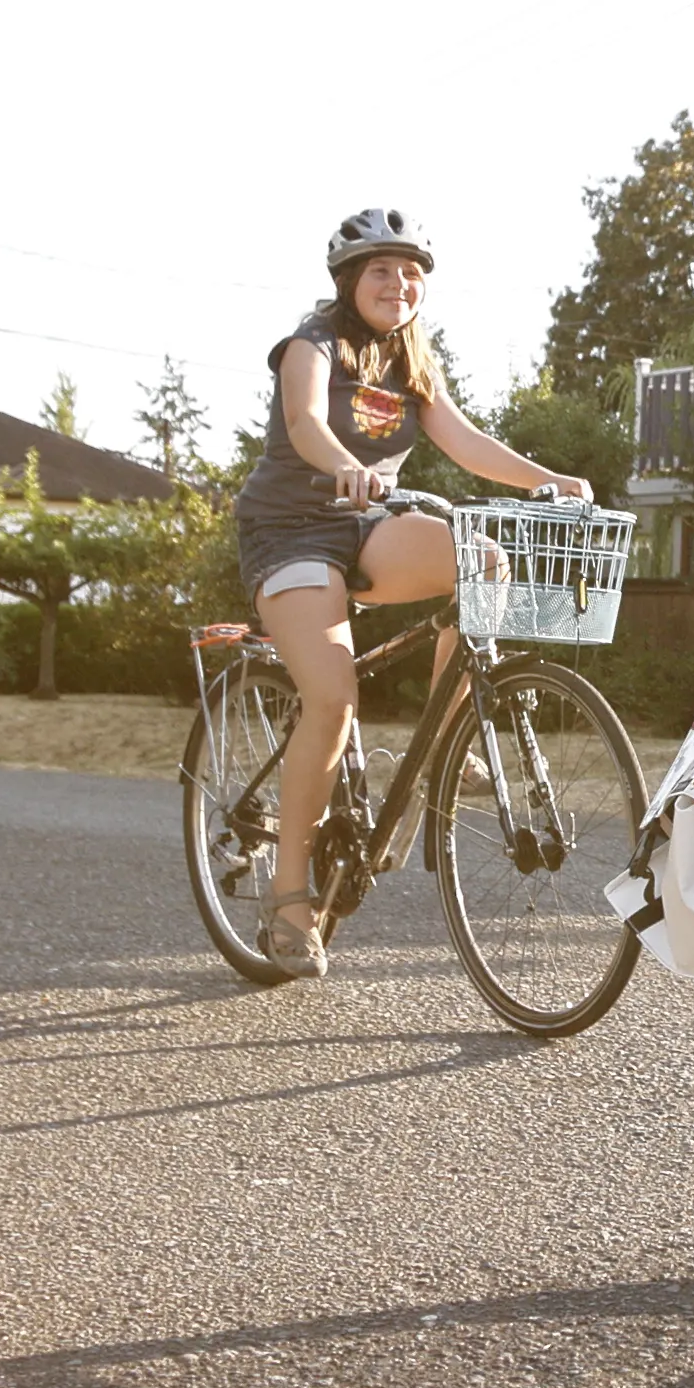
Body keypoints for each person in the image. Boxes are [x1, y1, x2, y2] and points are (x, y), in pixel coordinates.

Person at [232, 210, 591, 979]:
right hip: (291, 529)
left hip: (366, 525)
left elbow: (463, 438)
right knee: (331, 699)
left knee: (483, 561)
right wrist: (342, 465)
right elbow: (302, 418)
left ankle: (448, 750)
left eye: (410, 271)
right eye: (381, 271)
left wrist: (544, 478)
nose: (400, 284)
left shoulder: (412, 360)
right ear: (348, 282)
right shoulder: (313, 342)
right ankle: (291, 898)